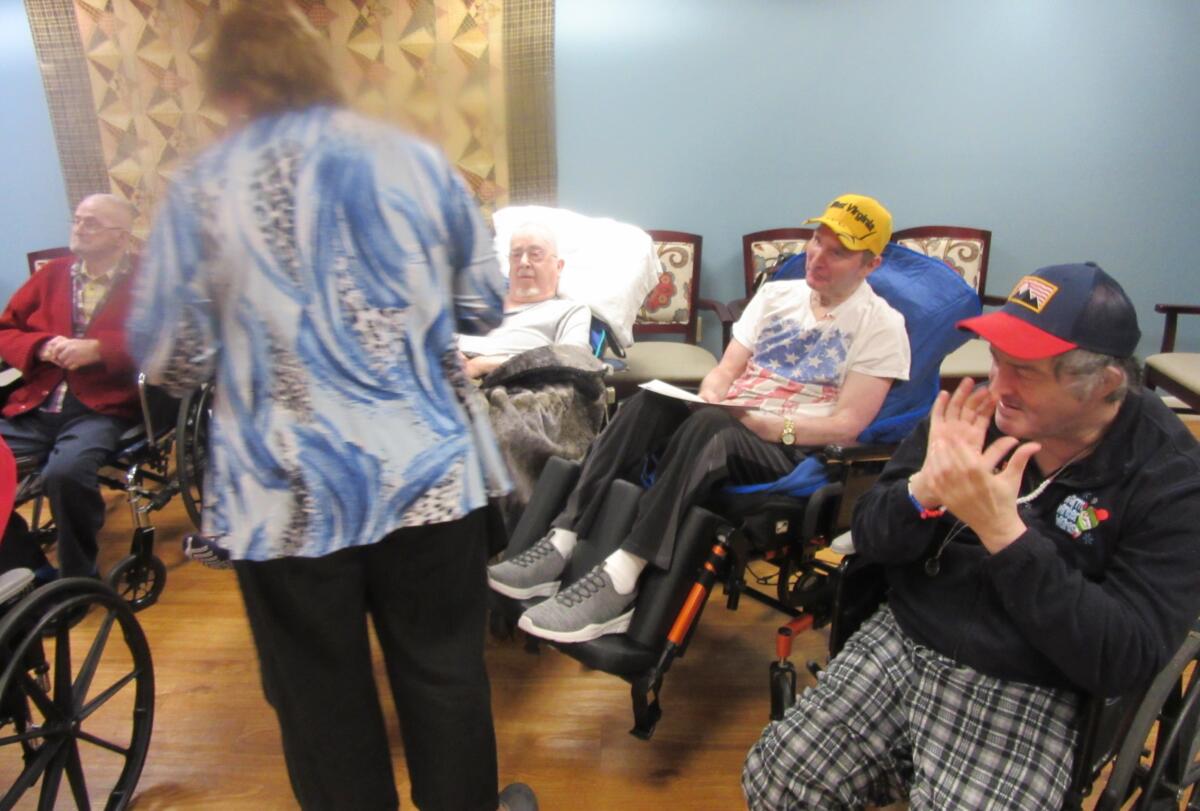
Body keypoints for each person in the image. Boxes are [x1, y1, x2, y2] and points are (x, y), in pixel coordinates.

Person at [126, 5, 535, 810]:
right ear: (322, 72)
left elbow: (170, 356)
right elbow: (483, 305)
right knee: (446, 678)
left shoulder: (202, 187)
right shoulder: (419, 163)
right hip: (427, 478)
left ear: (228, 88)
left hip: (285, 494)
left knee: (320, 702)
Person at [743, 263, 1200, 810]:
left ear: (1103, 384)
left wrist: (1005, 534)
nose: (998, 386)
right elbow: (870, 534)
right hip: (908, 633)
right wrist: (921, 492)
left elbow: (1124, 657)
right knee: (776, 781)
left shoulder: (1169, 480)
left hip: (1031, 677)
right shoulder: (974, 415)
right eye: (996, 359)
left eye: (1024, 371)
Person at [488, 193, 911, 643]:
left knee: (713, 429)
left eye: (838, 252)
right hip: (733, 419)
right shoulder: (776, 296)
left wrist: (773, 427)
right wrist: (708, 397)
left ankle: (623, 578)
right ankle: (563, 539)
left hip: (788, 446)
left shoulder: (882, 325)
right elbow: (724, 373)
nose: (817, 256)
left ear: (871, 265)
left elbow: (847, 424)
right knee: (648, 404)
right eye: (816, 240)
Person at [0, 193, 139, 580]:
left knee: (65, 473)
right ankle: (29, 568)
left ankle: (79, 578)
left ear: (121, 236)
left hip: (101, 408)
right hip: (36, 404)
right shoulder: (51, 275)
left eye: (92, 222)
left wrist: (100, 350)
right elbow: (6, 330)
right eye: (77, 219)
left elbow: (169, 340)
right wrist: (40, 346)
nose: (79, 228)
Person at [458, 222, 591, 379]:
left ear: (559, 266)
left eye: (535, 254)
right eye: (516, 255)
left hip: (508, 383)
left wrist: (481, 365)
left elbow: (574, 361)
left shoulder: (570, 311)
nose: (523, 262)